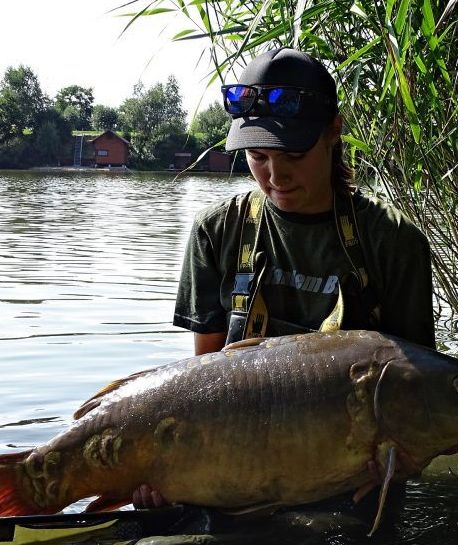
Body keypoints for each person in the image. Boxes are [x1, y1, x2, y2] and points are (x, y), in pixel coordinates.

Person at [132, 46, 437, 511]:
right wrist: (168, 471)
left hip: (350, 482)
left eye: (293, 153)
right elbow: (205, 382)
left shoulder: (394, 243)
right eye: (257, 155)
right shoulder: (217, 230)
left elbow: (420, 400)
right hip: (235, 466)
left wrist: (407, 458)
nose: (275, 175)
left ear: (334, 131)